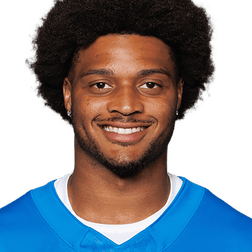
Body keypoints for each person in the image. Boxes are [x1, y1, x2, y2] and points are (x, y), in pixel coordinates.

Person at [0, 0, 251, 251]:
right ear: (68, 93)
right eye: (100, 85)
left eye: (150, 85)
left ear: (178, 94)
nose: (127, 106)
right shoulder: (7, 237)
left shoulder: (240, 240)